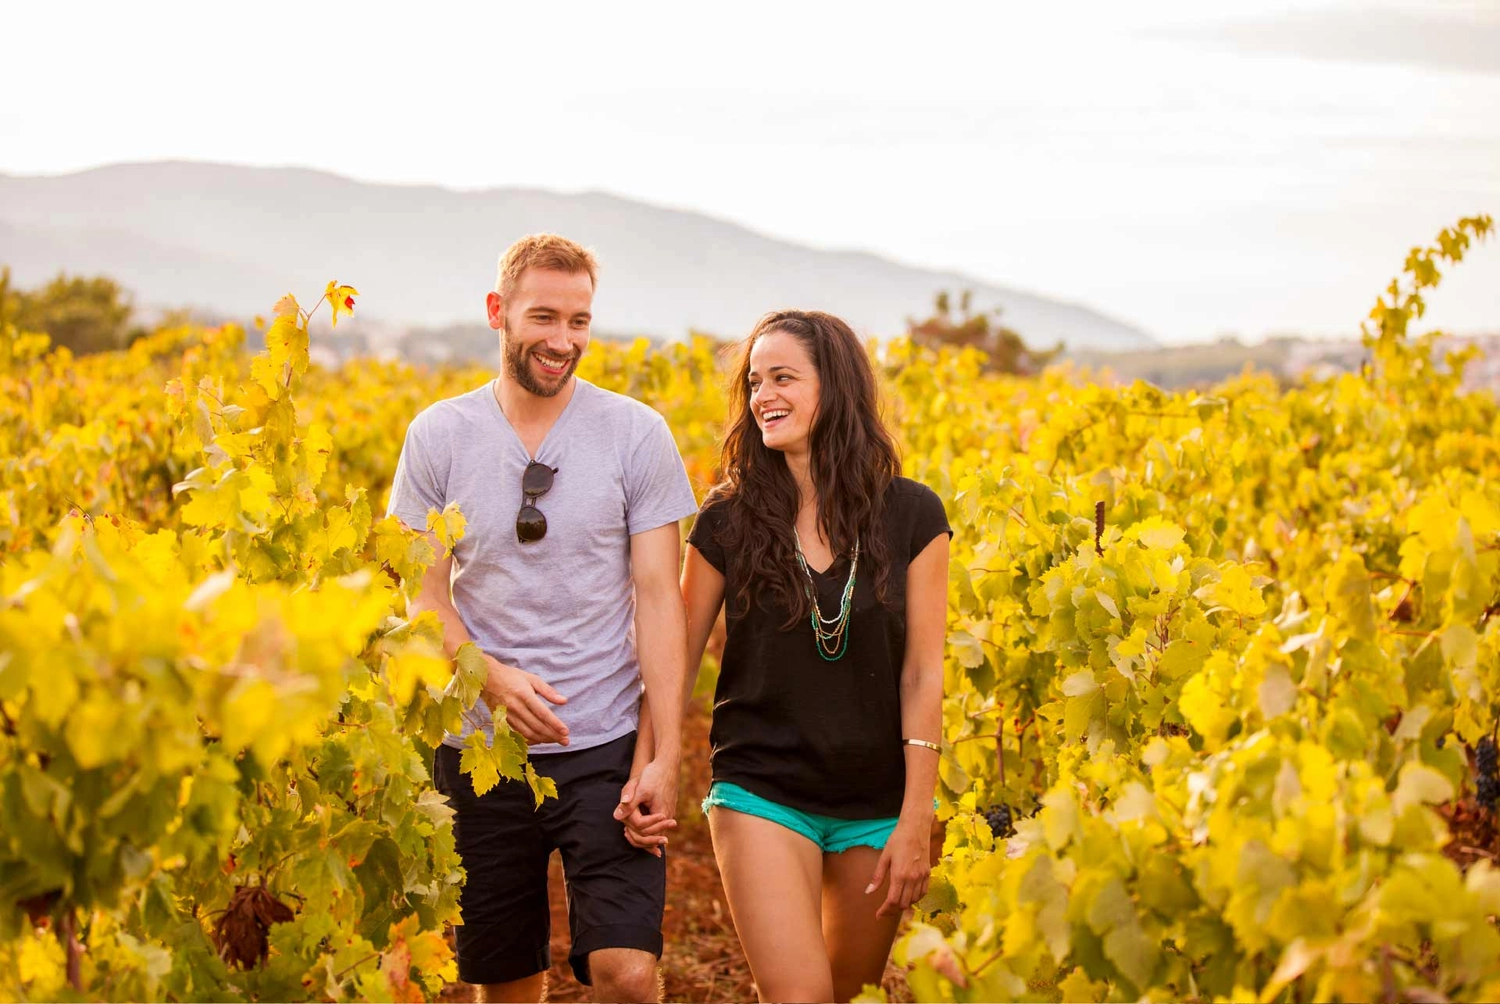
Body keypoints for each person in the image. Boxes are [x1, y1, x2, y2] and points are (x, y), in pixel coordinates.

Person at [387, 233, 697, 1004]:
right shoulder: (438, 436)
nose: (564, 341)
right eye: (545, 317)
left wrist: (665, 755)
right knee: (507, 982)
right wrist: (487, 676)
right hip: (479, 751)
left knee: (626, 975)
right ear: (498, 313)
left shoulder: (636, 434)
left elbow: (662, 599)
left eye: (581, 322)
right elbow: (421, 595)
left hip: (606, 746)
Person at [626, 309, 950, 1003]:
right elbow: (672, 658)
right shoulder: (727, 518)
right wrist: (654, 764)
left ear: (834, 387)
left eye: (782, 378)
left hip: (877, 801)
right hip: (761, 787)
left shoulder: (915, 516)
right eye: (753, 382)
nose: (762, 396)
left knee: (844, 993)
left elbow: (923, 672)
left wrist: (917, 818)